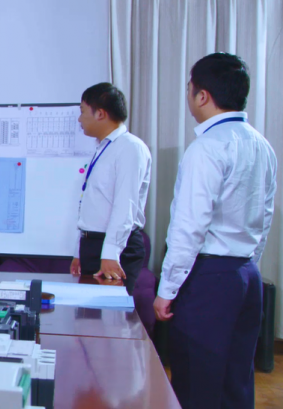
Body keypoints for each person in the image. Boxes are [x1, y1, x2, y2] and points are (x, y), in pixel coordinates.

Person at [153, 53, 276, 409]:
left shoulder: (206, 147)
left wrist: (167, 289)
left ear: (202, 95)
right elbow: (265, 216)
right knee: (237, 382)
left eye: (189, 89)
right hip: (246, 275)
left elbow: (189, 226)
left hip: (209, 278)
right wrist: (248, 263)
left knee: (196, 382)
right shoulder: (262, 145)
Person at [69, 83, 151, 295]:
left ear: (100, 114)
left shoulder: (130, 147)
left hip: (116, 247)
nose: (79, 119)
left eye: (82, 112)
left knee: (111, 313)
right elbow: (93, 204)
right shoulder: (103, 148)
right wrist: (79, 251)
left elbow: (125, 205)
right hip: (94, 244)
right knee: (88, 313)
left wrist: (110, 254)